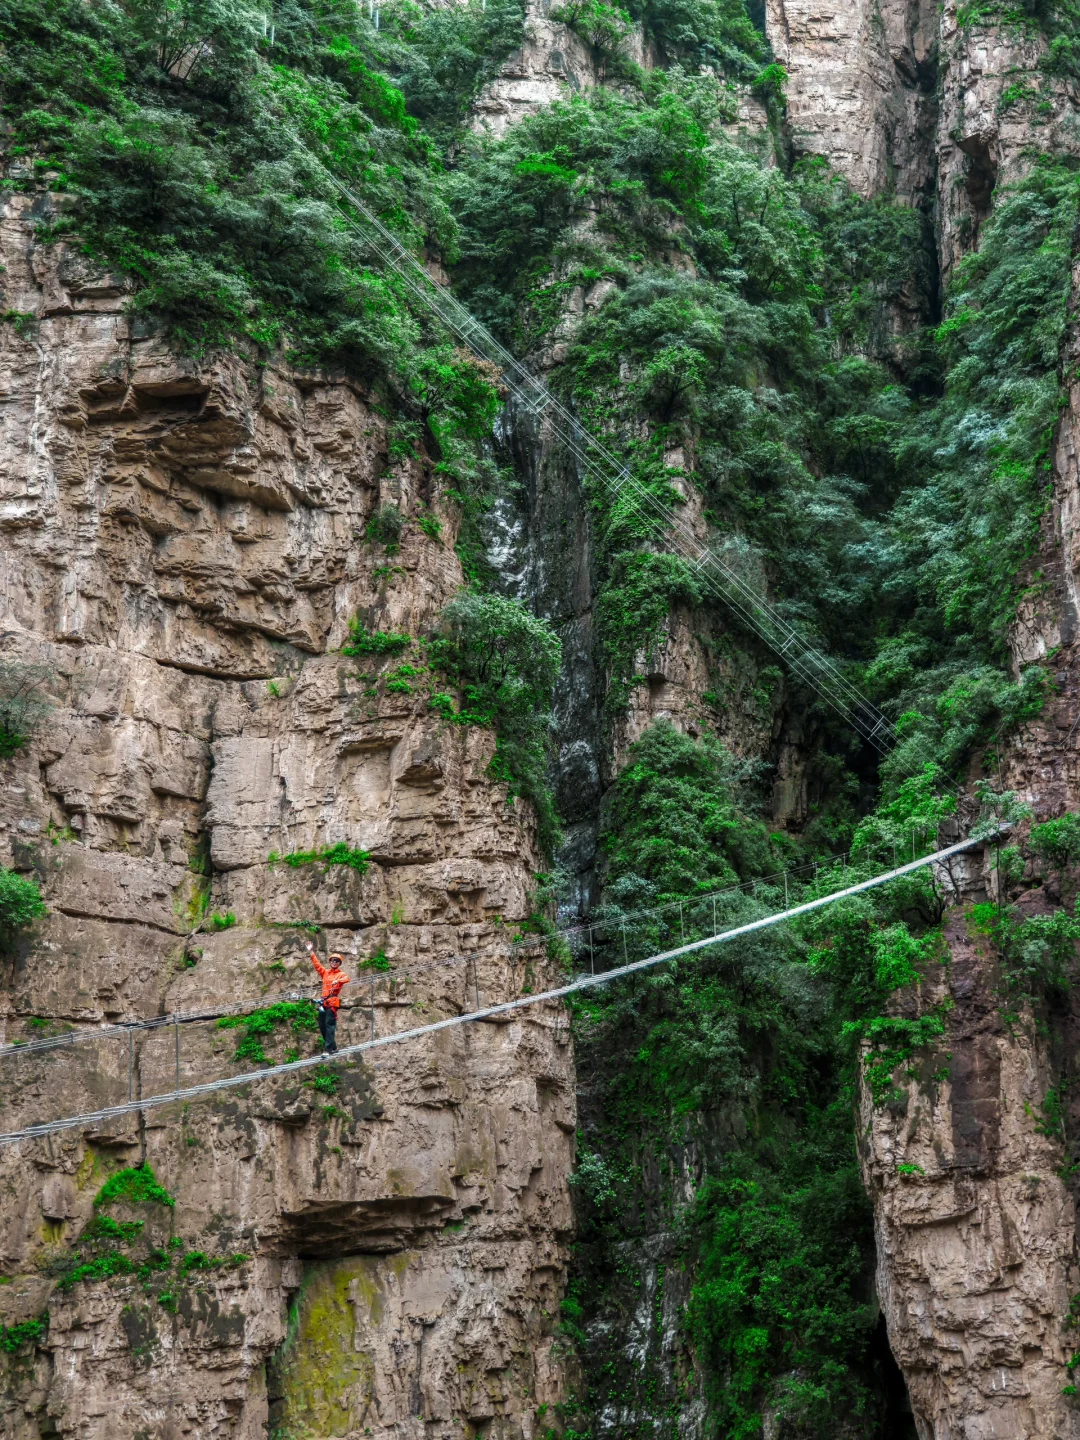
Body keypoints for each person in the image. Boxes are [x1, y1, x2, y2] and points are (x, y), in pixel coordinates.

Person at [308, 944, 350, 1054]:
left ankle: (327, 1050)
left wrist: (338, 981)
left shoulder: (341, 974)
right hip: (323, 1003)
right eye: (332, 961)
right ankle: (334, 1047)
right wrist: (311, 952)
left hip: (332, 1002)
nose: (334, 962)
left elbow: (347, 978)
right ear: (330, 962)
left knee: (329, 1024)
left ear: (339, 963)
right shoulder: (326, 973)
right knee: (322, 1026)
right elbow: (317, 966)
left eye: (337, 961)